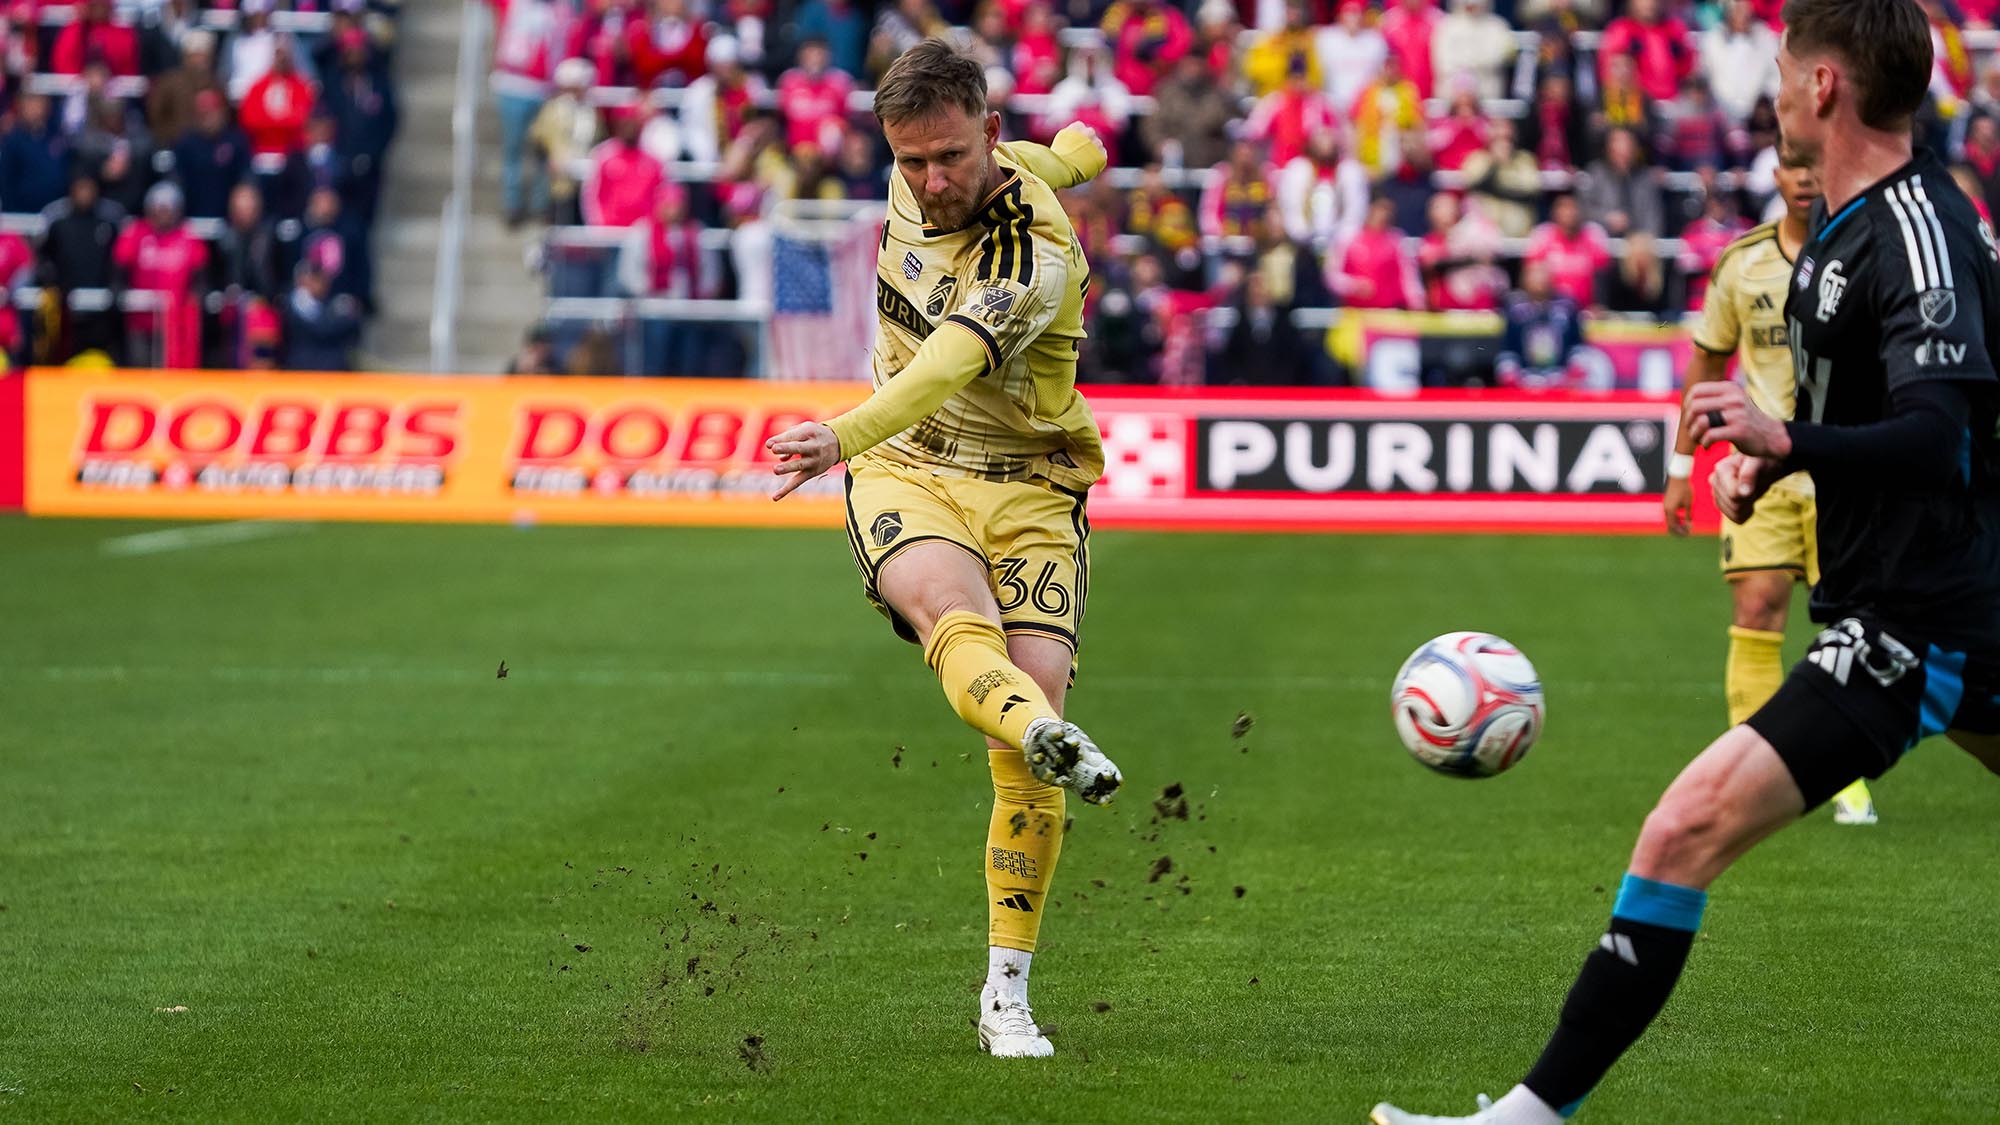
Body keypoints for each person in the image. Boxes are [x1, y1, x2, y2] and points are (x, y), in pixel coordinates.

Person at [1373, 3, 2000, 1121]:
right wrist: (1784, 459)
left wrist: (1786, 438)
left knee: (1680, 830)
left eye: (1783, 69)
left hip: (1921, 619)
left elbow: (1935, 435)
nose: (1771, 89)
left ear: (1822, 88)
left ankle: (1524, 1118)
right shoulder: (1850, 229)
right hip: (1946, 601)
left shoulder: (1914, 230)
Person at [759, 40, 1123, 1061]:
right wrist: (1076, 153)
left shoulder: (1030, 259)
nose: (929, 181)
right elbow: (1048, 160)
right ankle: (1043, 728)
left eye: (951, 158)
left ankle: (1005, 993)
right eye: (910, 160)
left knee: (1022, 758)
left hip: (1030, 484)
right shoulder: (923, 166)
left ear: (988, 136)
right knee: (952, 619)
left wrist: (838, 433)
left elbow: (946, 365)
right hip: (907, 466)